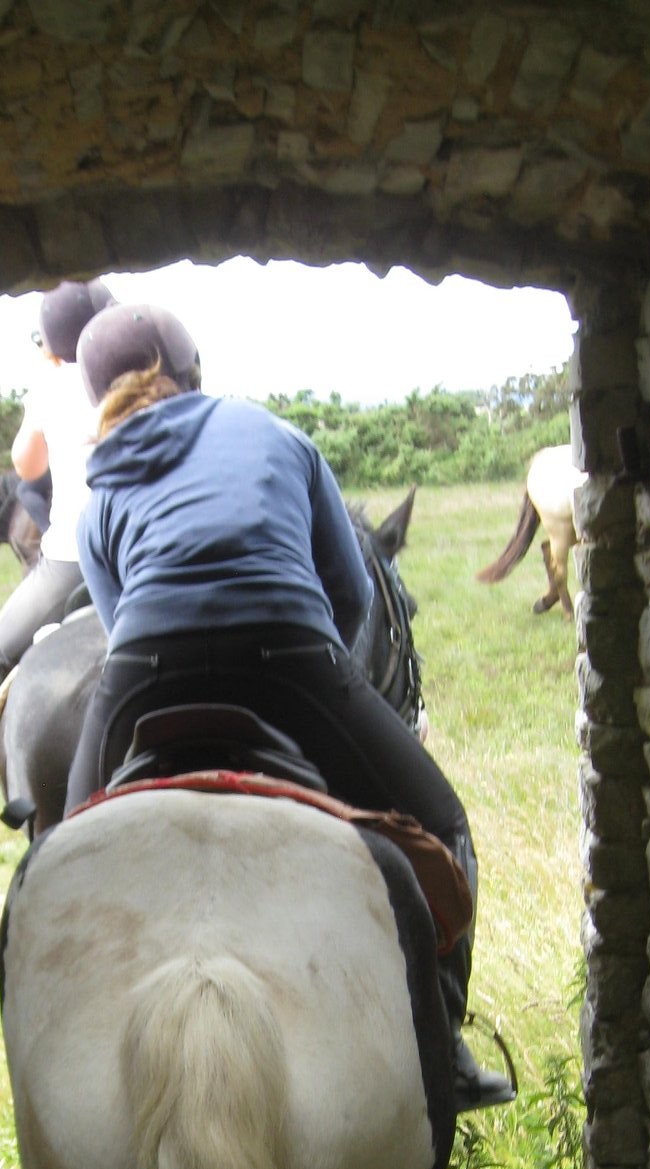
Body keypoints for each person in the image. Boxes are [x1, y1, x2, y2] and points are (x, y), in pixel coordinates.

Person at [66, 302, 513, 1113]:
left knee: (58, 862)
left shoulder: (99, 491)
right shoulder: (276, 436)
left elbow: (112, 626)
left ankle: (58, 1061)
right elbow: (349, 592)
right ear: (190, 366)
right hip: (288, 653)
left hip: (142, 671)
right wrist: (314, 685)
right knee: (444, 828)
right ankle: (442, 1046)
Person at [0, 278, 114, 822]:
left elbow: (27, 465)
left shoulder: (52, 385)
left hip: (72, 558)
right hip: (144, 551)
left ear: (51, 341)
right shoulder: (138, 376)